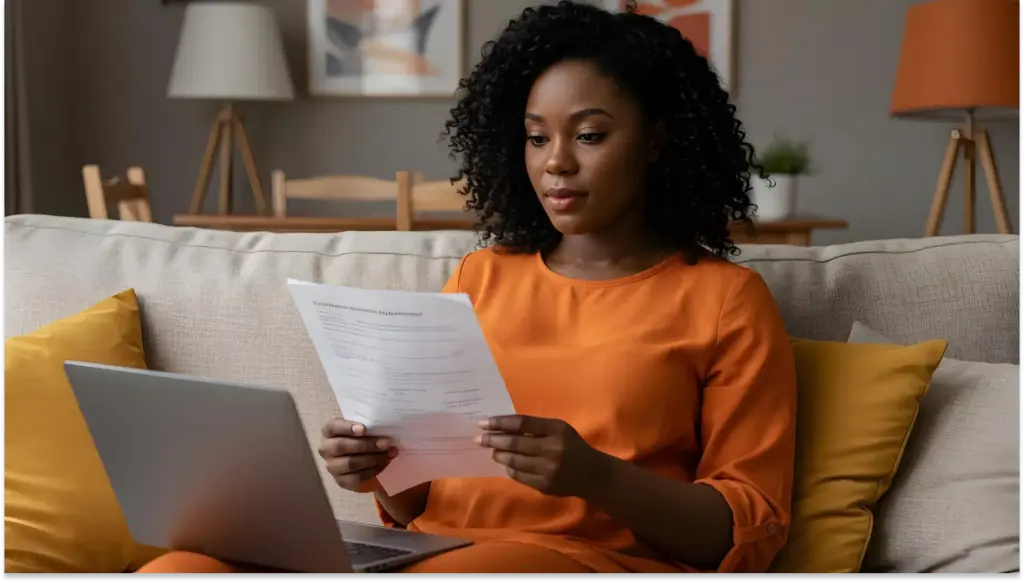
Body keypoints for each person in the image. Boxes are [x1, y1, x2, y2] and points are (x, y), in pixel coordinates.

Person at [138, 0, 797, 575]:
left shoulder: (725, 300)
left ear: (656, 142)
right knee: (182, 564)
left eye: (589, 135)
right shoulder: (484, 275)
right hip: (433, 551)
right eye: (536, 138)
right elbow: (420, 497)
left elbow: (748, 528)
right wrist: (380, 472)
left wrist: (594, 476)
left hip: (581, 557)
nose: (555, 162)